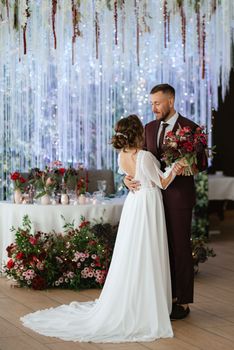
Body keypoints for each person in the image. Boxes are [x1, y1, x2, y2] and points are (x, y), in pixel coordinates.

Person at [20, 115, 184, 343]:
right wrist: (177, 166)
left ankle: (135, 298)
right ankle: (148, 305)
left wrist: (129, 180)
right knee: (148, 251)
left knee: (134, 253)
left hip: (134, 204)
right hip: (147, 204)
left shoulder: (122, 155)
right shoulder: (144, 156)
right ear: (138, 133)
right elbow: (163, 182)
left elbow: (129, 176)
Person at [125, 84, 208, 320]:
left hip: (178, 199)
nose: (153, 108)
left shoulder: (191, 129)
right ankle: (160, 298)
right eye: (151, 103)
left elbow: (201, 163)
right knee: (156, 248)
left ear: (171, 101)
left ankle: (181, 302)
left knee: (179, 248)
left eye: (157, 103)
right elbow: (135, 159)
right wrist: (126, 179)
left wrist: (187, 167)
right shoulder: (148, 128)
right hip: (151, 199)